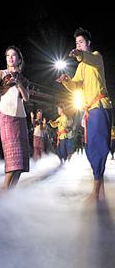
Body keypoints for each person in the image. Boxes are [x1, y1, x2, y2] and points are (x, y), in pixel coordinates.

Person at [57, 27, 111, 201]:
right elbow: (76, 86)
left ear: (88, 43)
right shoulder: (80, 66)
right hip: (90, 110)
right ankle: (100, 191)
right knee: (90, 148)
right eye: (76, 43)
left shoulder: (96, 57)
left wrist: (79, 54)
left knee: (98, 147)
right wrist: (66, 81)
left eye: (81, 42)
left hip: (100, 106)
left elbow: (89, 59)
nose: (78, 45)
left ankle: (95, 192)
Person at [0, 46, 30, 190]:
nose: (10, 58)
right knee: (13, 160)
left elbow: (26, 98)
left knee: (21, 162)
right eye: (8, 55)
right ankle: (4, 192)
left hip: (20, 117)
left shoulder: (23, 79)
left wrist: (19, 84)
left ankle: (11, 194)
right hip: (6, 116)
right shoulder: (2, 73)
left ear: (19, 59)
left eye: (13, 55)